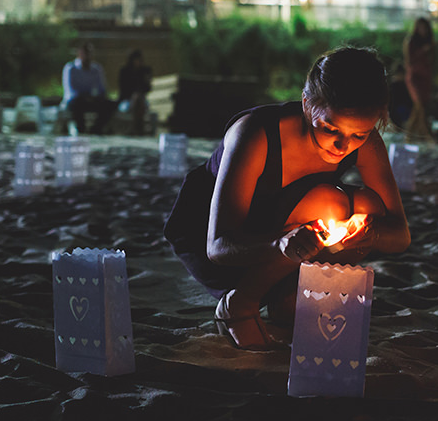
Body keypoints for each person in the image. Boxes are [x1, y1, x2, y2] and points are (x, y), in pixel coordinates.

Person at [163, 48, 411, 350]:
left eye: (359, 135)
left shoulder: (367, 142)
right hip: (226, 243)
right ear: (307, 105)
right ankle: (241, 302)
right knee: (330, 204)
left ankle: (283, 296)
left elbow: (400, 236)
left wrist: (368, 234)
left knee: (367, 209)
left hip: (292, 244)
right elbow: (218, 247)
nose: (343, 145)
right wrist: (279, 245)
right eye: (329, 128)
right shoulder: (256, 132)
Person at [62, 43, 117, 134]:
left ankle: (96, 129)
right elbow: (70, 90)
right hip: (76, 100)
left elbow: (102, 88)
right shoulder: (71, 68)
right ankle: (81, 129)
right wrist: (84, 96)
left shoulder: (96, 69)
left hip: (92, 99)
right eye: (85, 53)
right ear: (79, 54)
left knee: (109, 104)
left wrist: (95, 96)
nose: (88, 56)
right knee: (77, 104)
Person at [402, 17, 436, 141]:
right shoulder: (411, 42)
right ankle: (426, 134)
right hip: (415, 77)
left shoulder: (429, 42)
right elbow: (409, 60)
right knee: (419, 104)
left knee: (418, 108)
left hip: (425, 77)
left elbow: (432, 61)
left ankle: (409, 134)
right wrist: (422, 51)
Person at [118, 49, 152, 135]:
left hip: (141, 101)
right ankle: (138, 130)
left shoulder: (144, 72)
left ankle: (134, 129)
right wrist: (133, 96)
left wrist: (146, 80)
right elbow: (123, 90)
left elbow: (147, 89)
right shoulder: (125, 71)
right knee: (137, 101)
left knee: (139, 101)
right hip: (127, 101)